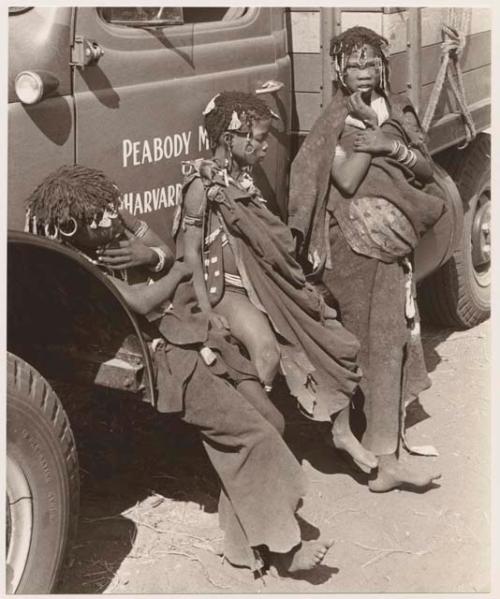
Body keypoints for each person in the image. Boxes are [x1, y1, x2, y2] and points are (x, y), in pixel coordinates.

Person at [25, 164, 333, 576]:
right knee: (250, 434)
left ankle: (243, 544)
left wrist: (150, 254)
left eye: (111, 209)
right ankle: (285, 546)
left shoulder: (111, 235)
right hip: (176, 361)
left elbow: (160, 248)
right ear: (69, 227)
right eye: (99, 218)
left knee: (270, 421)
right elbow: (141, 301)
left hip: (200, 337)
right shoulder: (79, 263)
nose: (112, 221)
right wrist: (177, 272)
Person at [176, 91, 378, 474]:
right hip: (229, 290)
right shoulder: (202, 186)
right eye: (260, 137)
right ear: (230, 139)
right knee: (266, 351)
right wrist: (205, 311)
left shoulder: (244, 180)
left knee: (326, 330)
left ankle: (341, 431)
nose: (267, 145)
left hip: (265, 285)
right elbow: (191, 256)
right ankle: (262, 439)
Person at [289, 26, 444, 492]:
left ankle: (381, 451)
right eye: (353, 64)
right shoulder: (337, 117)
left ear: (383, 67)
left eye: (370, 63)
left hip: (390, 245)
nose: (363, 72)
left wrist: (388, 141)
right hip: (354, 246)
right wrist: (374, 137)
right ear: (339, 70)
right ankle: (371, 450)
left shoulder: (396, 110)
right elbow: (349, 181)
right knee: (368, 343)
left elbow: (425, 167)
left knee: (389, 340)